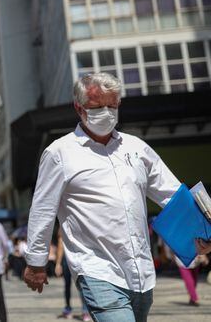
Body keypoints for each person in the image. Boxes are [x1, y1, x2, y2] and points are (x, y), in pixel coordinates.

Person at [23, 72, 211, 322]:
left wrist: (203, 231)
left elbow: (172, 194)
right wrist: (36, 262)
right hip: (96, 269)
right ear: (79, 108)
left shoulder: (136, 148)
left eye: (112, 106)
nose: (107, 113)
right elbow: (43, 209)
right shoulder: (59, 153)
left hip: (141, 273)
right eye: (97, 107)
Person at [55, 235, 89, 321]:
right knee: (82, 285)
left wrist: (58, 263)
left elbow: (60, 243)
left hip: (68, 258)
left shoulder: (63, 223)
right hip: (80, 257)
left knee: (67, 285)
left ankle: (68, 309)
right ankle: (85, 312)